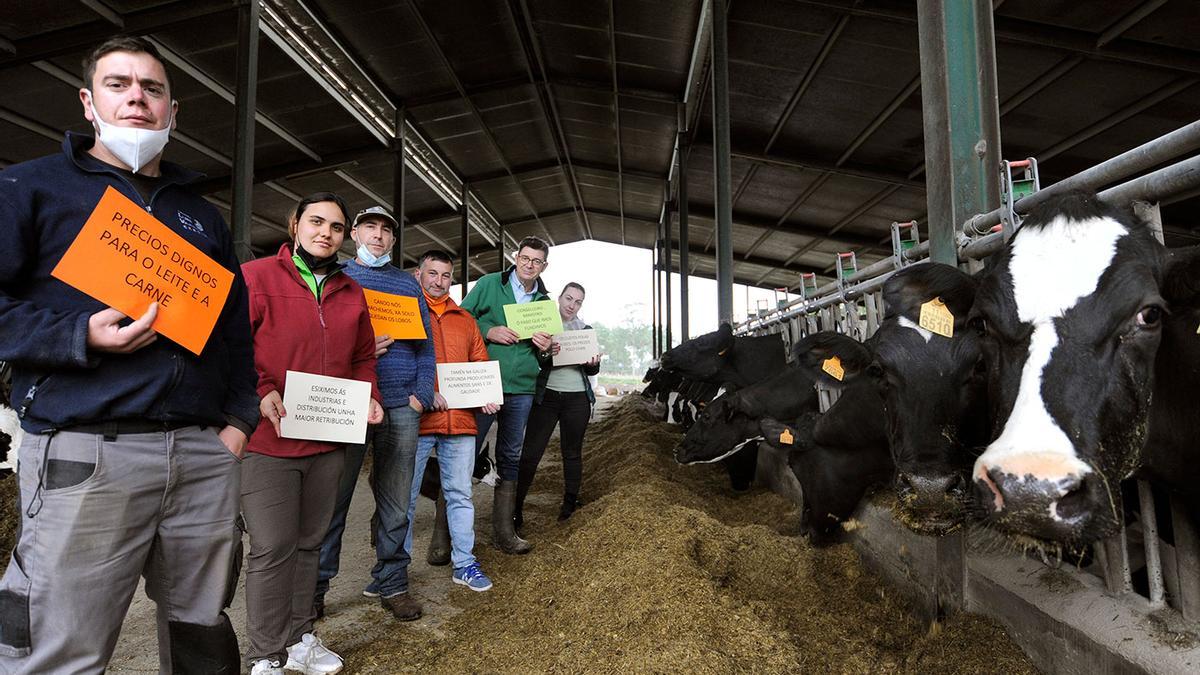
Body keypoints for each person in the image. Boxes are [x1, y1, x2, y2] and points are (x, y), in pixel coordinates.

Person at [0, 37, 258, 673]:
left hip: (201, 454)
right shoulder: (30, 188)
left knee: (202, 628)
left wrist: (237, 421)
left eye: (153, 88)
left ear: (174, 109)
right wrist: (76, 336)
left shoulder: (199, 215)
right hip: (88, 449)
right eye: (119, 85)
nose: (137, 98)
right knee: (60, 642)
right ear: (88, 102)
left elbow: (233, 329)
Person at [240, 192, 384, 675]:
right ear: (294, 224)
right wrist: (260, 391)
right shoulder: (256, 278)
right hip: (269, 441)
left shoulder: (351, 291)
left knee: (310, 543)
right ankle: (266, 654)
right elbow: (231, 350)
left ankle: (301, 638)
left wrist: (367, 395)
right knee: (272, 547)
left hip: (328, 440)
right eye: (316, 222)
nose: (326, 232)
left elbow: (364, 356)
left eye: (336, 227)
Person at [314, 205, 435, 622]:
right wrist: (360, 350)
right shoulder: (339, 277)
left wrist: (421, 393)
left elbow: (426, 345)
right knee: (334, 498)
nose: (378, 236)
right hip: (349, 399)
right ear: (354, 233)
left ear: (394, 240)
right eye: (370, 227)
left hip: (402, 402)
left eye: (386, 230)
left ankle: (393, 582)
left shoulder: (407, 284)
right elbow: (320, 335)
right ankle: (316, 587)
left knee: (397, 499)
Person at [402, 250, 499, 593]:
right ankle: (395, 569)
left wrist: (486, 394)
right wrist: (423, 394)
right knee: (405, 497)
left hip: (460, 422)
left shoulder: (465, 319)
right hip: (418, 420)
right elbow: (398, 364)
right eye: (433, 273)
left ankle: (465, 563)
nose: (439, 281)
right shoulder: (407, 314)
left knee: (460, 494)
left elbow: (480, 364)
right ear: (419, 275)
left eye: (445, 275)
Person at [460, 236, 556, 554]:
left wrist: (546, 350)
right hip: (485, 381)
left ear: (545, 265)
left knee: (510, 457)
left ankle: (504, 531)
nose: (530, 265)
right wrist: (488, 330)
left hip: (522, 388)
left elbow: (546, 356)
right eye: (525, 258)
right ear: (516, 257)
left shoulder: (545, 303)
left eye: (537, 261)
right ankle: (445, 535)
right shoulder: (489, 284)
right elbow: (460, 319)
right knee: (465, 453)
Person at [515, 283, 601, 533]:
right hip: (547, 396)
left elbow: (592, 370)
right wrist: (546, 351)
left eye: (577, 302)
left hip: (577, 399)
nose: (571, 305)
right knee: (531, 453)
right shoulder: (543, 326)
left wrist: (592, 363)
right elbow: (535, 360)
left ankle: (569, 505)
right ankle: (516, 508)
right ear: (560, 298)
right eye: (568, 298)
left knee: (572, 453)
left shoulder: (586, 330)